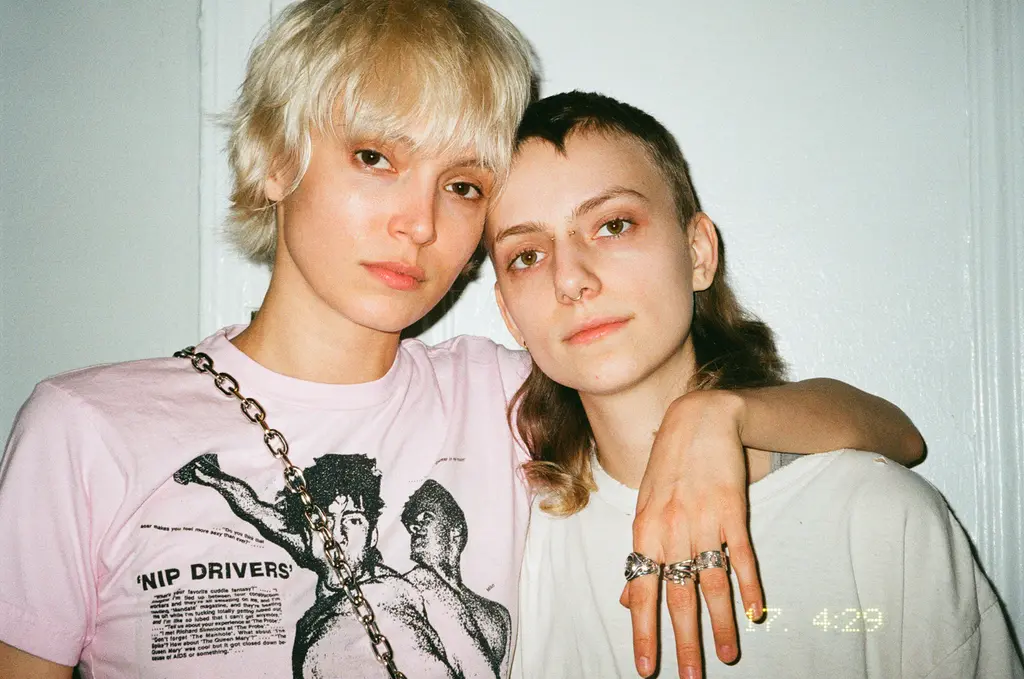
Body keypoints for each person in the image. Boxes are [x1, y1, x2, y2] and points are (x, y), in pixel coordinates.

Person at [0, 2, 922, 678]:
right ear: (278, 158)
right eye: (375, 157)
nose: (420, 222)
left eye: (464, 185)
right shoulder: (88, 428)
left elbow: (894, 434)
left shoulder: (503, 396)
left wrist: (720, 414)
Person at [484, 90, 1024, 678]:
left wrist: (721, 412)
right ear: (509, 314)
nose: (570, 279)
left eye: (614, 225)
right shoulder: (514, 550)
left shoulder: (875, 517)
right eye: (526, 256)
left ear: (698, 253)